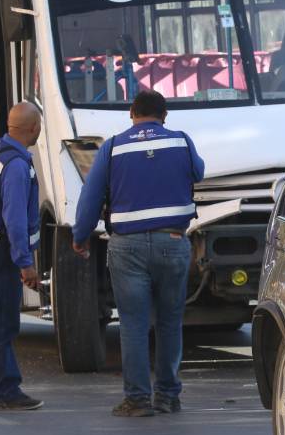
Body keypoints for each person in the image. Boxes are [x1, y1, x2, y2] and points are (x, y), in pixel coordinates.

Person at [72, 89, 205, 417]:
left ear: (132, 114)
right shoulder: (182, 141)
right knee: (170, 321)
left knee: (133, 323)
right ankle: (168, 396)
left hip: (127, 246)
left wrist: (81, 236)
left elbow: (90, 197)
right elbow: (198, 172)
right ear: (165, 116)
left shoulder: (113, 147)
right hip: (173, 241)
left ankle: (137, 399)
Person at [0, 102, 44, 410]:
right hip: (1, 251)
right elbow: (14, 218)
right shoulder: (15, 166)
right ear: (33, 129)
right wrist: (25, 263)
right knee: (2, 323)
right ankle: (5, 390)